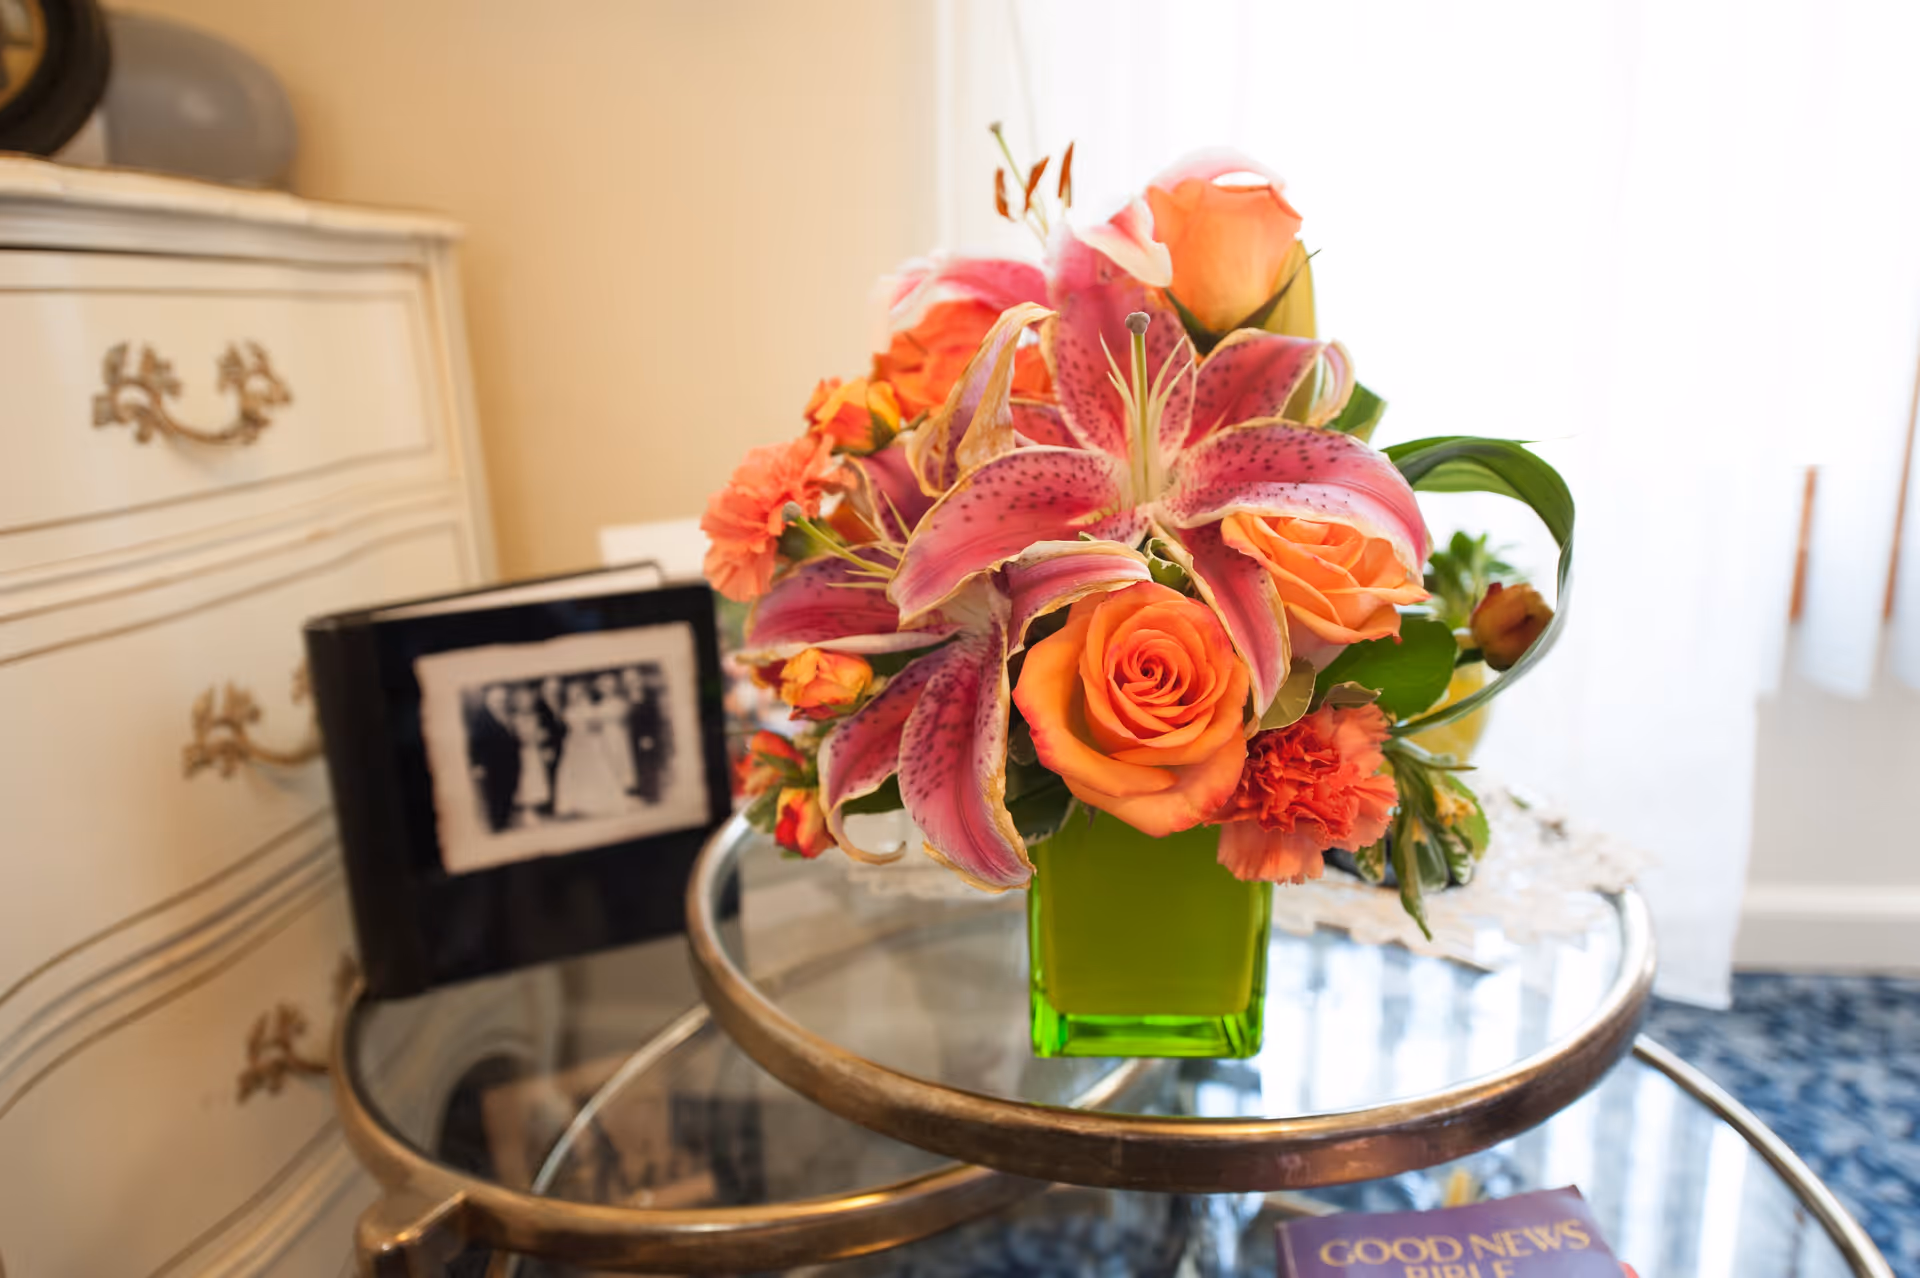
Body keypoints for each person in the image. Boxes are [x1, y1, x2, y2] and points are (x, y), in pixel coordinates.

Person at [552, 678, 623, 818]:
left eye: (576, 692)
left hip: (590, 743)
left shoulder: (589, 708)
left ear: (582, 693)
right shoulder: (567, 711)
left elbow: (597, 727)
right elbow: (570, 726)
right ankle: (575, 804)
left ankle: (596, 802)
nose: (574, 696)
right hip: (574, 745)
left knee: (597, 768)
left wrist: (591, 727)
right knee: (574, 772)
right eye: (570, 693)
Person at [466, 684, 522, 833]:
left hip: (510, 764)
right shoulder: (481, 718)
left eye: (503, 699)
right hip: (491, 766)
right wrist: (477, 764)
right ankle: (497, 826)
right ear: (488, 699)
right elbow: (474, 743)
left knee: (508, 794)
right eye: (497, 699)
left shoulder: (508, 715)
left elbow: (513, 738)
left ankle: (504, 822)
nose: (500, 702)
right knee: (495, 798)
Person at [508, 684, 552, 824]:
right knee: (525, 781)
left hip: (535, 753)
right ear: (517, 702)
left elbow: (542, 732)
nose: (526, 703)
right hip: (523, 754)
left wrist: (541, 737)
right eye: (522, 701)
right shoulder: (514, 718)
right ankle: (527, 810)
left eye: (528, 700)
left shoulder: (536, 716)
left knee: (537, 779)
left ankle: (535, 808)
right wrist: (526, 738)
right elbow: (515, 737)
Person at [623, 666, 668, 804]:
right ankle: (644, 795)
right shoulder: (627, 697)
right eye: (629, 680)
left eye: (634, 679)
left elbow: (654, 717)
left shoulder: (648, 695)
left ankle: (653, 795)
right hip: (631, 738)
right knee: (638, 766)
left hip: (646, 737)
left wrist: (649, 736)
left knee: (649, 765)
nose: (632, 682)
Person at [593, 671, 639, 801]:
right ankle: (613, 791)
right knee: (608, 762)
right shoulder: (598, 705)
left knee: (623, 760)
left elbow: (623, 717)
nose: (607, 689)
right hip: (604, 737)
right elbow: (596, 723)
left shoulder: (621, 702)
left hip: (619, 735)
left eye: (610, 686)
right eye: (604, 687)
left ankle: (628, 791)